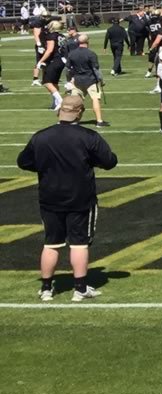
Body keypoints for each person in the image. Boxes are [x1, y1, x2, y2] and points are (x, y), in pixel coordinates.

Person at [16, 95, 118, 302]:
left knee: (51, 243)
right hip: (80, 197)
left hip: (49, 196)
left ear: (60, 111)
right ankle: (79, 288)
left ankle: (46, 288)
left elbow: (23, 161)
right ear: (80, 112)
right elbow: (109, 161)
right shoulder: (88, 136)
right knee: (79, 243)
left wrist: (45, 166)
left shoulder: (41, 136)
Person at [63, 32, 108, 127]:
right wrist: (101, 80)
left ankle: (73, 120)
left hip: (77, 80)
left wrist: (69, 80)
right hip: (90, 80)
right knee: (95, 99)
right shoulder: (91, 53)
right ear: (87, 41)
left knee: (76, 102)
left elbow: (67, 69)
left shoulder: (72, 53)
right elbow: (96, 69)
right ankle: (99, 121)